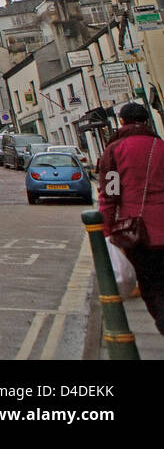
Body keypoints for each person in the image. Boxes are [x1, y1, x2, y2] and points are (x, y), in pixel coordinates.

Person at [97, 101, 164, 333]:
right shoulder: (160, 145)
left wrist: (105, 230)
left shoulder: (114, 151)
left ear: (123, 122)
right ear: (146, 120)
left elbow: (111, 193)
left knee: (151, 284)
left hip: (138, 232)